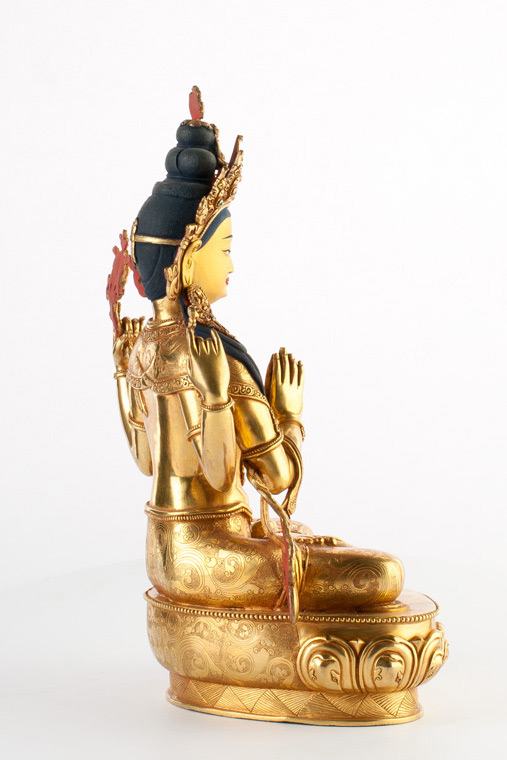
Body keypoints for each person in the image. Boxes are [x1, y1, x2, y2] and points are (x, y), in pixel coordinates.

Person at [112, 94, 404, 615]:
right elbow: (272, 477)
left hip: (162, 554)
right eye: (224, 249)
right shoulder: (215, 357)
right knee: (381, 573)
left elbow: (144, 460)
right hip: (218, 555)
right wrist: (284, 413)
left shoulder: (144, 347)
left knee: (315, 541)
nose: (231, 265)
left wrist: (119, 372)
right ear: (189, 258)